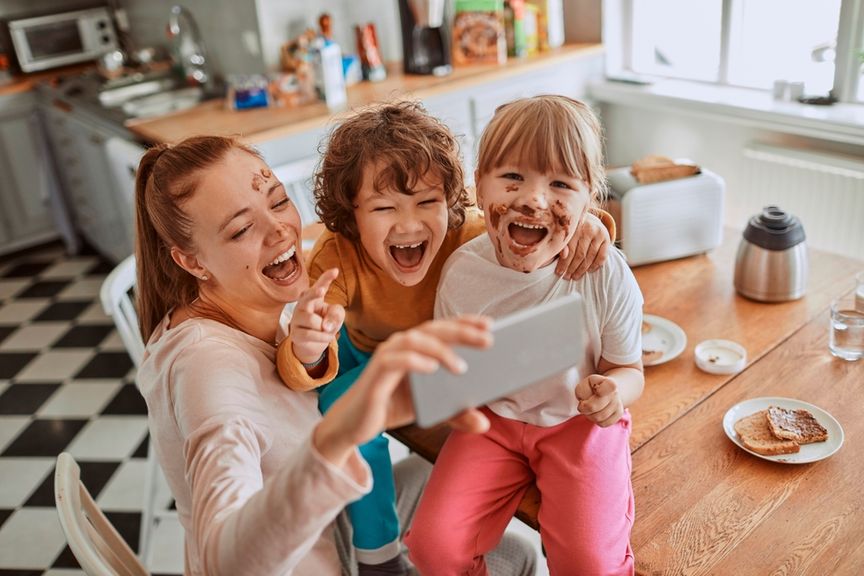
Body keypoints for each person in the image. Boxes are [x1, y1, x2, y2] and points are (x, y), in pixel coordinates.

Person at [133, 135, 538, 576]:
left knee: (431, 479)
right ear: (191, 262)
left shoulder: (249, 311)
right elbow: (225, 566)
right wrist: (334, 439)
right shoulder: (208, 371)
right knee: (516, 557)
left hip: (330, 529)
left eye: (278, 200)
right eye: (241, 229)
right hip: (322, 562)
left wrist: (575, 226)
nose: (280, 229)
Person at [277, 100, 617, 575]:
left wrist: (592, 223)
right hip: (373, 356)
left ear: (455, 202)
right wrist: (309, 348)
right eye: (383, 207)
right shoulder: (338, 258)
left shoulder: (468, 234)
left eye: (427, 202)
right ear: (352, 217)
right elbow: (310, 360)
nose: (410, 223)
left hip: (457, 370)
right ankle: (378, 555)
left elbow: (536, 227)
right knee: (341, 412)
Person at [404, 95, 645, 575]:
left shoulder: (603, 273)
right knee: (432, 545)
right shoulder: (460, 274)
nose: (533, 199)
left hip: (579, 426)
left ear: (588, 201)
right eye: (512, 177)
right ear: (478, 186)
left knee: (590, 563)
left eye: (559, 183)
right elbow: (453, 373)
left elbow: (629, 368)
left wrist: (613, 391)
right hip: (492, 423)